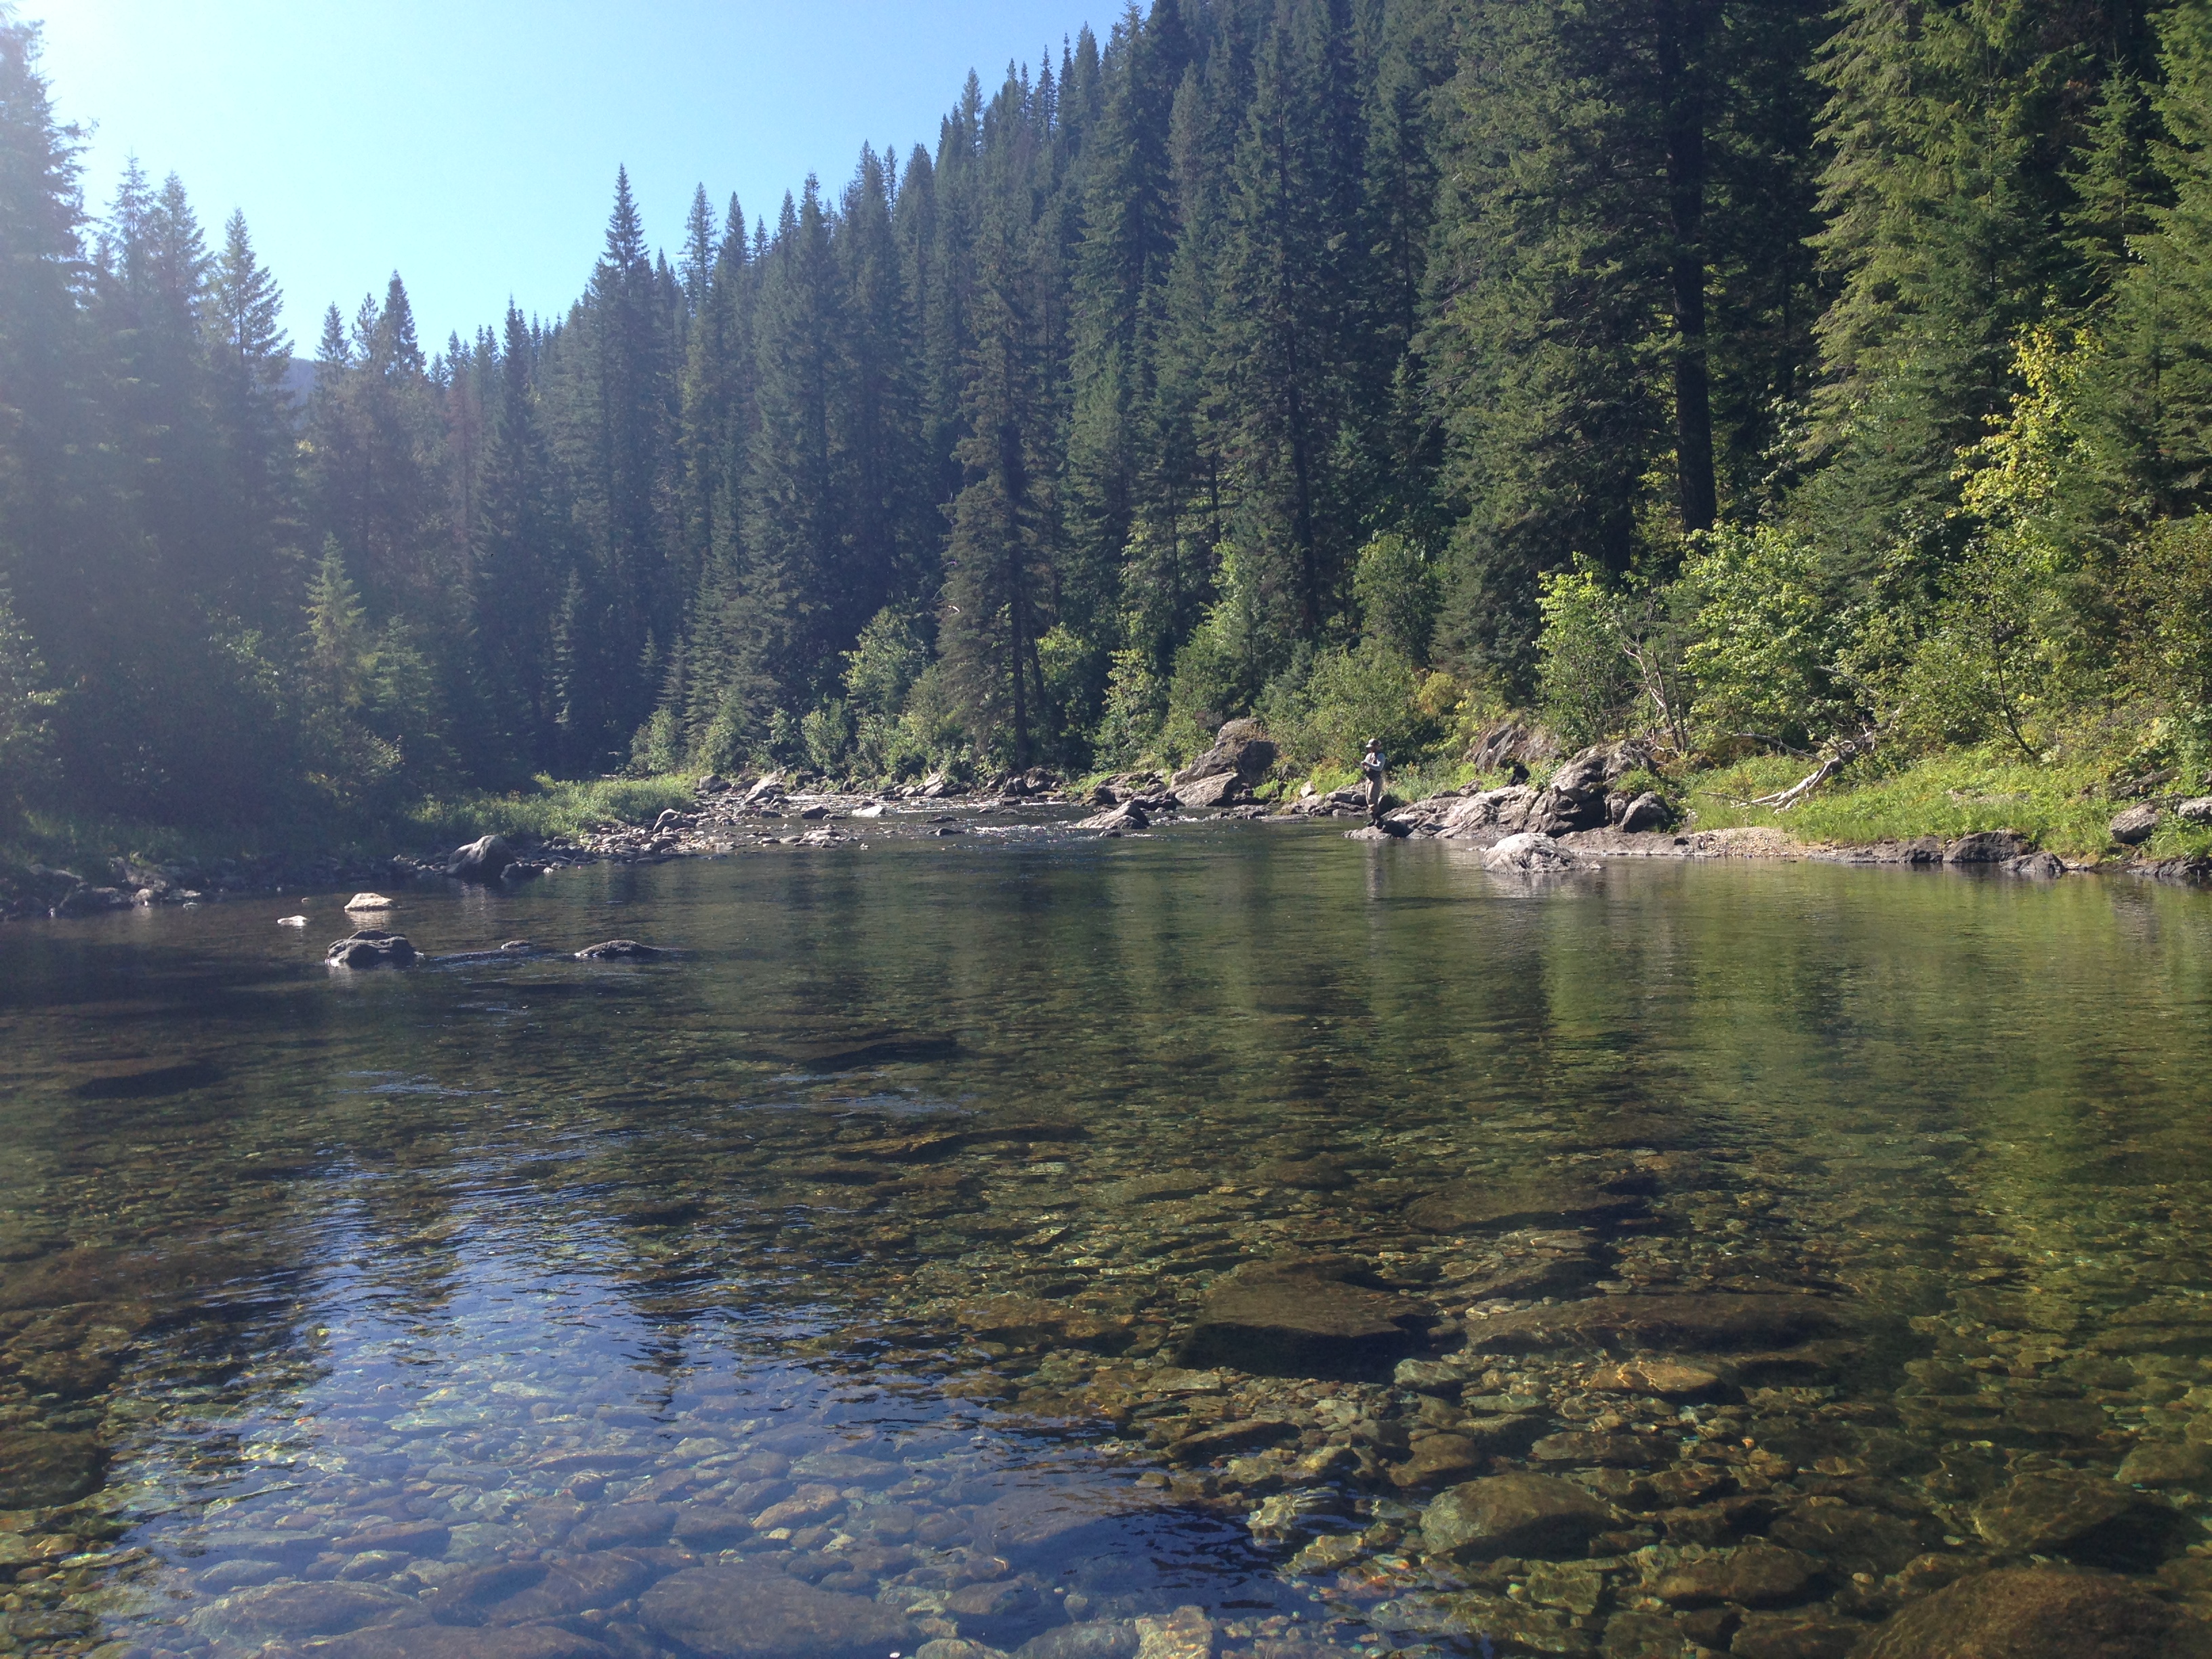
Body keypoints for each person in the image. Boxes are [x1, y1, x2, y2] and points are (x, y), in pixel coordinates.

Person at [1359, 737, 1387, 825]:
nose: (1370, 749)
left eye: (1372, 747)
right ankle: (1374, 819)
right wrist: (1358, 764)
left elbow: (1379, 768)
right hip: (1369, 779)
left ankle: (1379, 819)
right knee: (1368, 800)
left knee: (1373, 799)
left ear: (1376, 747)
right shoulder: (1368, 756)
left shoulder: (1381, 756)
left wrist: (1367, 764)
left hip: (1376, 779)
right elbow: (1364, 767)